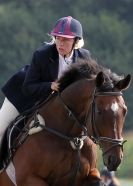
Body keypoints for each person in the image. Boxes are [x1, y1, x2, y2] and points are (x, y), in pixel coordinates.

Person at [0, 16, 91, 170]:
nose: (60, 43)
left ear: (76, 42)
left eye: (65, 40)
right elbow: (28, 87)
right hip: (22, 96)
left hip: (51, 105)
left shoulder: (84, 58)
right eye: (58, 38)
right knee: (1, 129)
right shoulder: (42, 54)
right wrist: (51, 86)